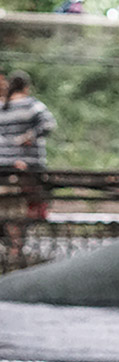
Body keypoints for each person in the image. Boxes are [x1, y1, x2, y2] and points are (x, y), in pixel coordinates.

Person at [0, 70, 57, 256]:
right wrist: (29, 136)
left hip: (5, 165)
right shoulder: (33, 105)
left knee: (9, 206)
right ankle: (18, 244)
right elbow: (49, 124)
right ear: (26, 87)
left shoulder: (2, 106)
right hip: (30, 164)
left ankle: (14, 245)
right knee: (32, 204)